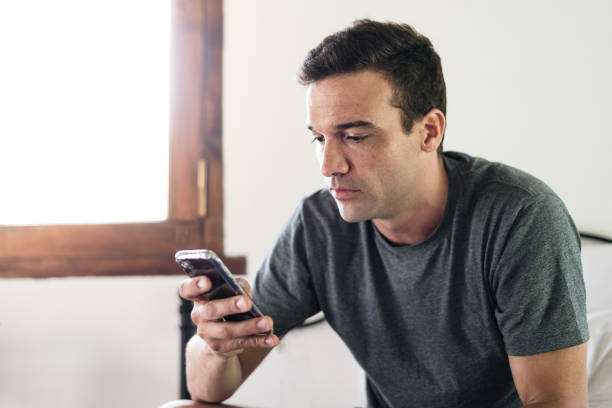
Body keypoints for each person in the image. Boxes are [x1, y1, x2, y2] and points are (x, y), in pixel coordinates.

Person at [179, 19, 589, 407]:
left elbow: (555, 402)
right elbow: (207, 390)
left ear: (429, 131)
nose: (329, 166)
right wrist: (216, 347)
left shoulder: (520, 217)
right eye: (319, 138)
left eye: (355, 137)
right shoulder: (318, 225)